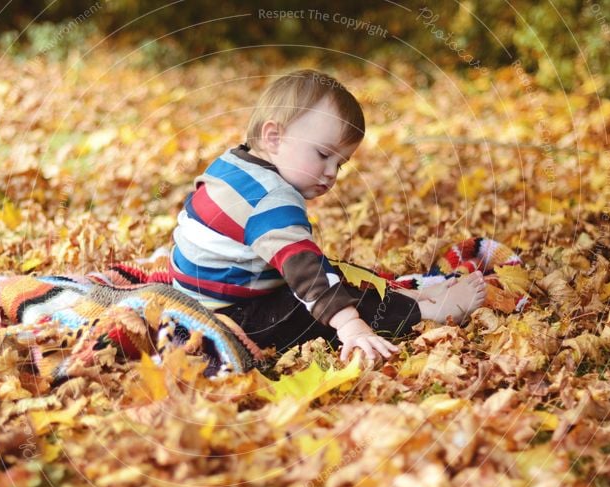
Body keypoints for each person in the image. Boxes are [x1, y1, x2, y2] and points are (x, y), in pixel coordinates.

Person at [169, 69, 486, 362]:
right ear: (274, 137)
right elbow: (306, 272)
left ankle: (412, 294)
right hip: (234, 320)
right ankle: (424, 311)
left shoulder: (233, 163)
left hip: (195, 300)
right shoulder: (271, 199)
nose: (332, 173)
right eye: (322, 154)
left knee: (331, 270)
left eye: (341, 163)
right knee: (322, 298)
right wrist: (351, 326)